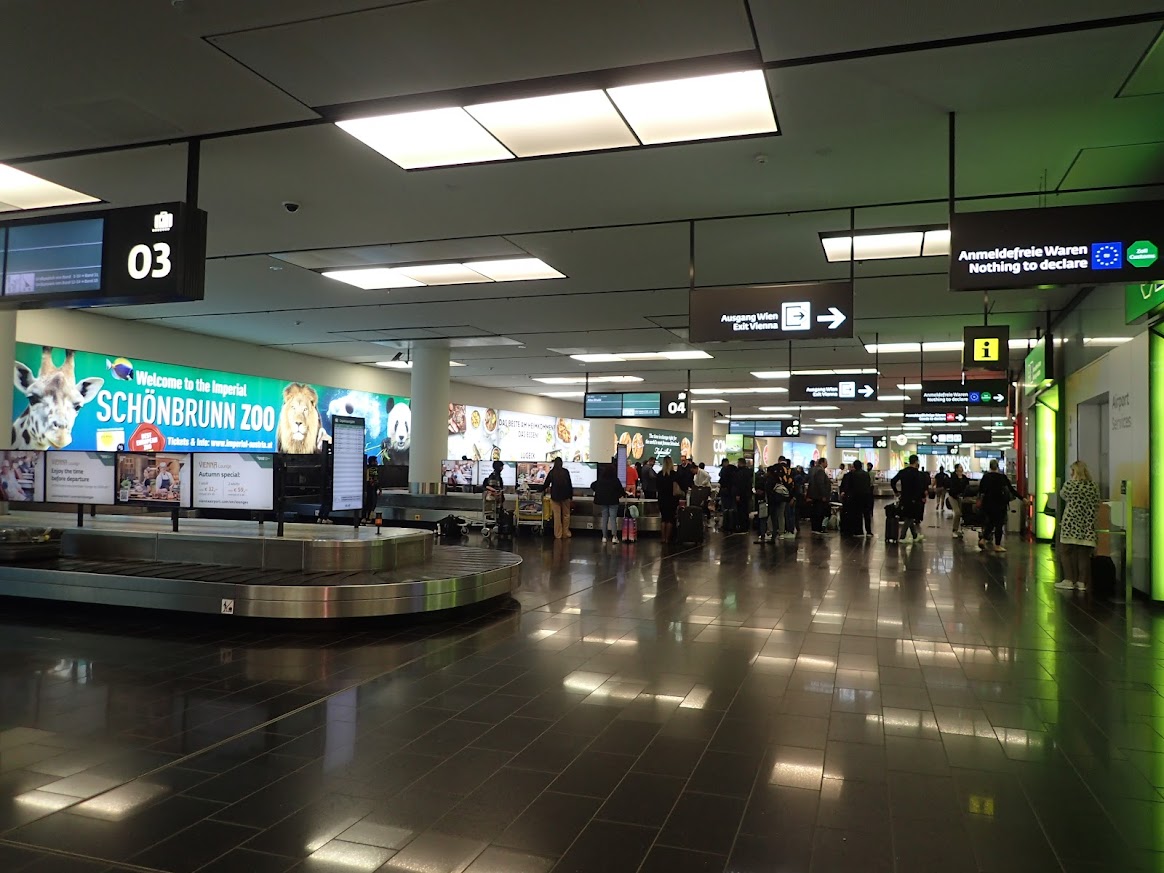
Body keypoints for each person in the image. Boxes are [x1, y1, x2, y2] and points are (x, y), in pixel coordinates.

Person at [1055, 460, 1101, 590]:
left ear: (1075, 471)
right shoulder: (1093, 486)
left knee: (1065, 551)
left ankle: (1069, 580)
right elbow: (1097, 502)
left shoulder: (1070, 485)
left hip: (1071, 524)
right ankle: (1081, 582)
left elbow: (1062, 495)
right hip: (1087, 524)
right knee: (1083, 555)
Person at [976, 458, 1019, 552]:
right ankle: (997, 545)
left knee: (991, 522)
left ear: (990, 467)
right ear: (997, 467)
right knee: (999, 524)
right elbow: (1011, 490)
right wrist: (1022, 498)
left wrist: (980, 501)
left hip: (987, 504)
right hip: (1000, 504)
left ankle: (983, 540)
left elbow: (981, 490)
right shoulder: (1002, 477)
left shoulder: (985, 477)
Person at [891, 455, 928, 542]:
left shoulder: (903, 472)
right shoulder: (917, 473)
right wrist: (923, 497)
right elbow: (919, 487)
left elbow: (893, 481)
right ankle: (902, 537)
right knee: (910, 517)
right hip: (914, 499)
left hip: (904, 497)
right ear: (916, 462)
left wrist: (896, 492)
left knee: (910, 516)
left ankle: (915, 536)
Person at [541, 457, 574, 539]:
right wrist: (571, 496)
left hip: (555, 497)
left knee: (557, 516)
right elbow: (569, 484)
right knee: (566, 515)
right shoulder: (565, 472)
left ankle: (558, 534)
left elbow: (546, 484)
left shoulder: (552, 472)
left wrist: (538, 489)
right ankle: (565, 532)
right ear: (561, 463)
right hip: (565, 496)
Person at [591, 463, 624, 545]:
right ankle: (614, 537)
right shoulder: (615, 480)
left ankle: (604, 537)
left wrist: (598, 491)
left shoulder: (601, 479)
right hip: (613, 501)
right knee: (613, 519)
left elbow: (592, 485)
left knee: (604, 519)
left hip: (603, 501)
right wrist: (621, 494)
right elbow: (620, 490)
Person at [841, 460, 872, 537]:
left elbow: (849, 486)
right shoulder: (866, 474)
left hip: (856, 497)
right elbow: (869, 484)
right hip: (866, 496)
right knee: (866, 514)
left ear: (854, 467)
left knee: (858, 514)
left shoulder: (852, 475)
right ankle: (868, 531)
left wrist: (846, 493)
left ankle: (859, 531)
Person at [656, 456, 681, 542]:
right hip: (672, 499)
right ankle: (667, 538)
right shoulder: (674, 474)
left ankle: (662, 538)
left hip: (662, 499)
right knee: (670, 519)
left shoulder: (659, 474)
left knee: (663, 519)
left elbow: (657, 487)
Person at [807, 457, 831, 535]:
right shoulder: (820, 471)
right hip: (819, 495)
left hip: (813, 495)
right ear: (822, 463)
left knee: (814, 512)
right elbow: (820, 484)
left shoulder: (812, 470)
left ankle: (814, 528)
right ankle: (818, 528)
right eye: (826, 462)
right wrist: (823, 495)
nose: (827, 464)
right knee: (819, 512)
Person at [948, 464, 969, 538]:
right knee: (957, 512)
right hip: (953, 496)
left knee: (960, 513)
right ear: (956, 469)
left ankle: (958, 529)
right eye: (960, 467)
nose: (962, 468)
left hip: (960, 497)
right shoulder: (953, 477)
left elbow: (967, 486)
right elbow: (952, 487)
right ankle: (954, 530)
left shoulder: (964, 478)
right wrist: (957, 493)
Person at [718, 459, 736, 532]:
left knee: (725, 509)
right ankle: (732, 525)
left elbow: (721, 479)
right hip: (732, 492)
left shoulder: (724, 470)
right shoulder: (734, 470)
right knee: (731, 509)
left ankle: (725, 525)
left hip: (725, 491)